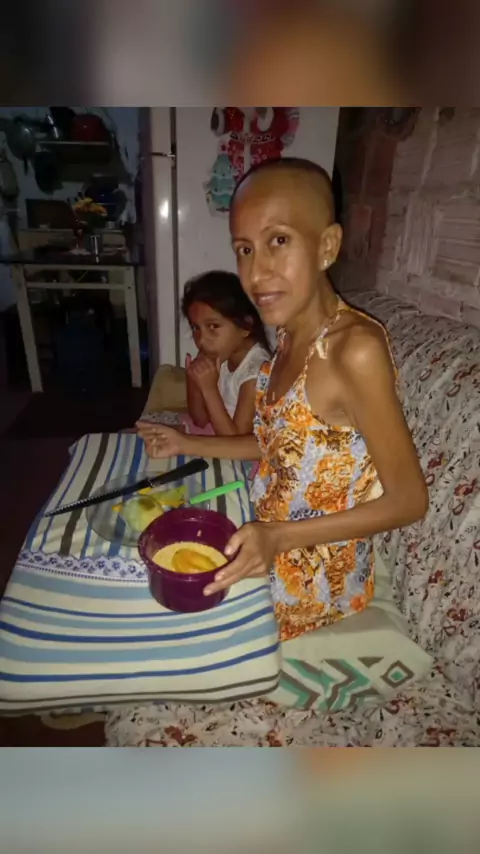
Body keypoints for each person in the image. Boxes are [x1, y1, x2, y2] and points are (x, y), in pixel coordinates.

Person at [137, 157, 428, 643]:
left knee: (168, 614)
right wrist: (185, 442)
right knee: (153, 544)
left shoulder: (354, 350)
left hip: (317, 578)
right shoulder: (290, 338)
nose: (256, 272)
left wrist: (276, 537)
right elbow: (278, 446)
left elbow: (410, 500)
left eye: (279, 241)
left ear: (327, 246)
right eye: (245, 249)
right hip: (265, 529)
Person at [180, 270, 271, 437]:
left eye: (213, 326)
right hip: (219, 435)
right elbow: (200, 420)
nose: (202, 340)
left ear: (245, 326)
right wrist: (193, 381)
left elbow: (235, 442)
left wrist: (209, 389)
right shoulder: (221, 353)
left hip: (238, 446)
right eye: (195, 328)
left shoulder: (257, 372)